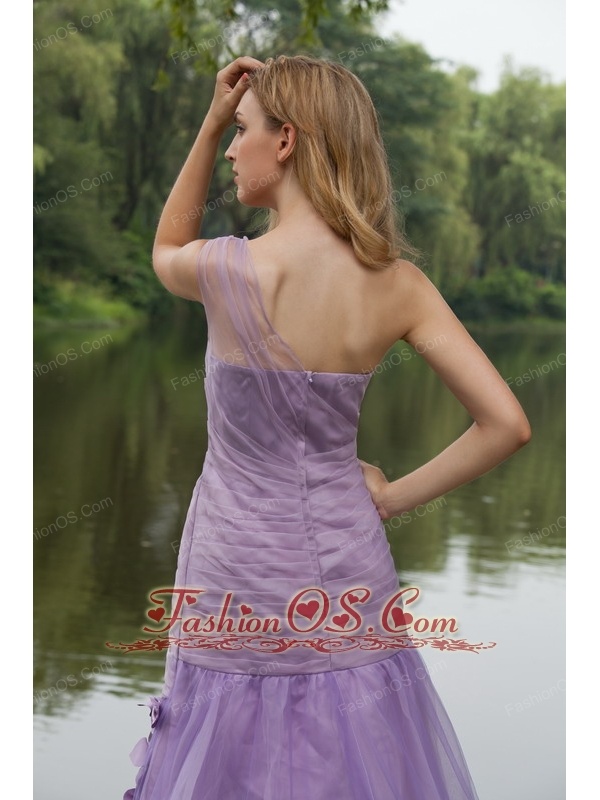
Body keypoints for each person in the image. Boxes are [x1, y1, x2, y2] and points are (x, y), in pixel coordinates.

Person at [123, 55, 531, 800]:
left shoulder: (230, 270)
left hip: (235, 579)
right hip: (349, 580)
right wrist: (390, 496)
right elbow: (505, 423)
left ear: (286, 141)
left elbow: (163, 251)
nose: (233, 151)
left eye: (242, 131)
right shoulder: (398, 285)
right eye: (228, 134)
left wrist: (206, 123)